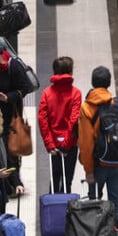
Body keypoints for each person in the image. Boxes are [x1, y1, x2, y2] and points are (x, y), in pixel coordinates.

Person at [78, 66, 118, 229]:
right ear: (108, 83)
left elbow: (86, 144)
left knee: (95, 204)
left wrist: (88, 171)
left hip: (98, 165)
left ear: (93, 83)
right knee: (115, 203)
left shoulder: (87, 108)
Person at [0, 34, 33, 152]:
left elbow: (25, 87)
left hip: (8, 116)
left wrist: (8, 97)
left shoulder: (12, 66)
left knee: (7, 150)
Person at [38, 56, 81, 193]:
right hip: (70, 145)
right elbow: (74, 121)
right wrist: (66, 146)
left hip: (54, 145)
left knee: (54, 179)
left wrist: (50, 144)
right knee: (67, 181)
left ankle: (52, 209)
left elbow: (42, 119)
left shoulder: (47, 93)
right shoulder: (75, 93)